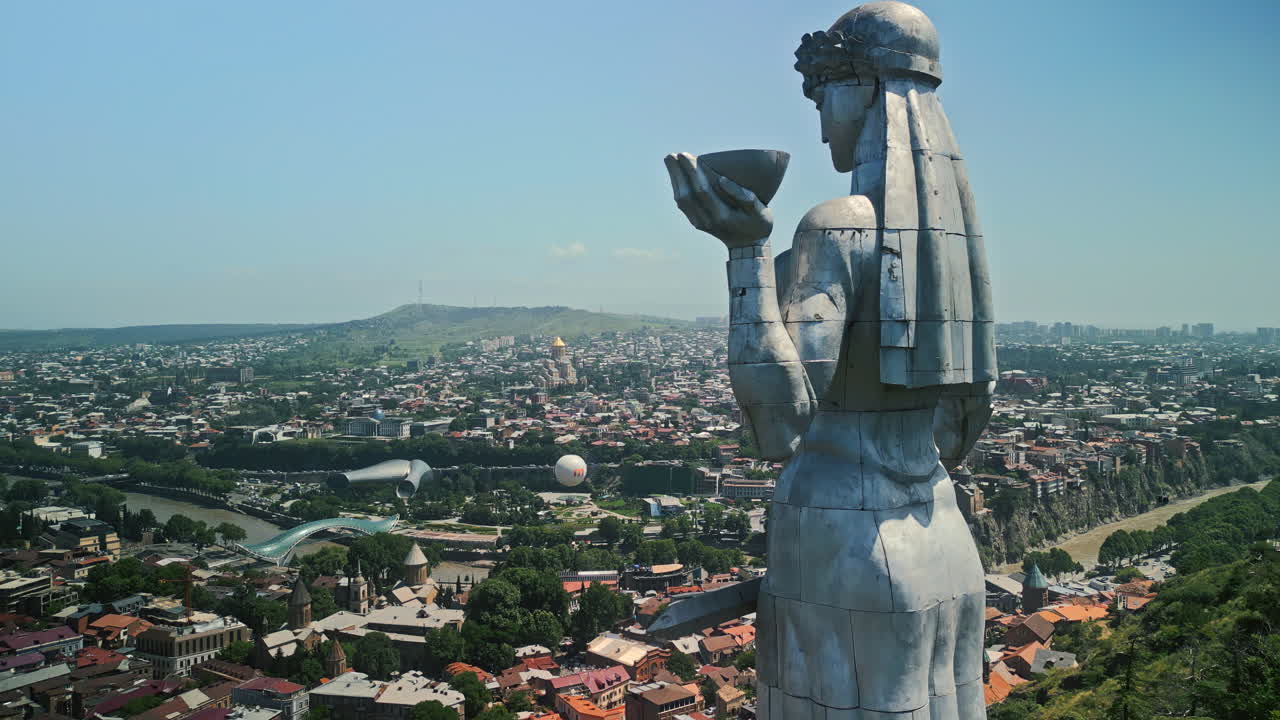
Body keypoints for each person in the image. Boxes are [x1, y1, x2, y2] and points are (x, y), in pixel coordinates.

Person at [660, 3, 995, 718]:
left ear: (863, 87)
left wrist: (746, 253)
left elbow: (780, 422)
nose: (820, 124)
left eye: (823, 96)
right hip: (944, 543)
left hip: (843, 544)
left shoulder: (840, 225)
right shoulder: (952, 249)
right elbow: (960, 433)